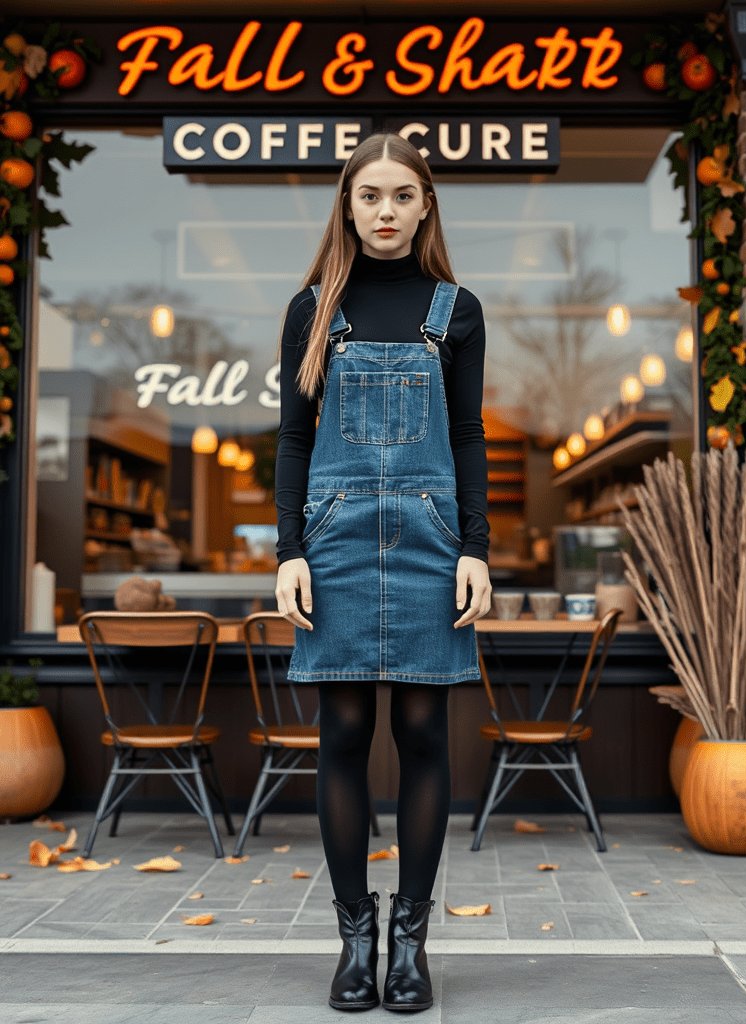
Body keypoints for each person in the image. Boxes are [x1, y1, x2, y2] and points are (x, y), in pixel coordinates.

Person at [275, 132, 491, 1013]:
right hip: (334, 540)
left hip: (432, 540)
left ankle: (411, 945)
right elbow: (291, 438)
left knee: (426, 733)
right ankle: (353, 942)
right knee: (342, 735)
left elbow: (472, 436)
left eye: (403, 195)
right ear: (348, 206)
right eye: (371, 197)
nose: (387, 211)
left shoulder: (457, 309)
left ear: (426, 205)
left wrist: (476, 545)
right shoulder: (314, 309)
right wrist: (288, 549)